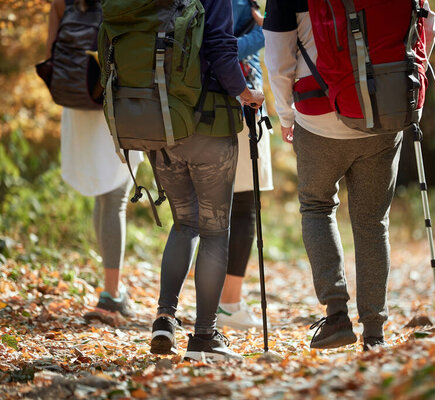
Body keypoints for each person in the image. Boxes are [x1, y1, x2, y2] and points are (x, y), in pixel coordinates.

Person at [264, 0, 404, 350]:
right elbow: (425, 27)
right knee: (373, 222)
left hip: (319, 112)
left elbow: (279, 57)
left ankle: (337, 315)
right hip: (384, 110)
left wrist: (285, 115)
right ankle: (374, 331)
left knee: (316, 206)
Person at [149, 0, 265, 361]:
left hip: (154, 119)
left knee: (184, 222)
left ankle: (165, 319)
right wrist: (244, 92)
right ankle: (204, 337)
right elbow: (219, 46)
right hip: (207, 119)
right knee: (214, 229)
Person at [45, 0, 144, 325]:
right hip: (114, 100)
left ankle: (111, 287)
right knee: (114, 196)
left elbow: (52, 51)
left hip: (76, 98)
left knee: (105, 196)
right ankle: (111, 294)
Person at [216, 0, 273, 331]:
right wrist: (265, 31)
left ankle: (214, 301)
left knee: (211, 210)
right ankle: (230, 303)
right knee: (243, 210)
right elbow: (221, 48)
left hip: (211, 109)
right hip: (241, 109)